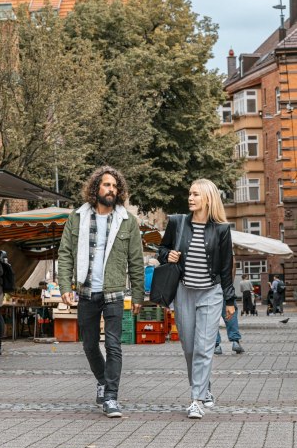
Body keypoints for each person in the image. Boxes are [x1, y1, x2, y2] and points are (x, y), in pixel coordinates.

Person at [58, 166, 144, 418]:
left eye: (115, 187)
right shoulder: (77, 218)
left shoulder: (128, 221)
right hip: (86, 292)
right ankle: (103, 380)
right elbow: (65, 254)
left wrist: (137, 295)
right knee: (89, 345)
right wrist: (65, 286)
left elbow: (136, 261)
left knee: (115, 344)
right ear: (95, 188)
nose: (111, 190)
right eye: (107, 185)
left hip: (114, 292)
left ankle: (111, 397)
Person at [158, 178, 235, 419]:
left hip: (211, 294)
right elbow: (161, 250)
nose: (190, 198)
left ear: (208, 199)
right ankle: (204, 386)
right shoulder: (177, 223)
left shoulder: (221, 230)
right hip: (184, 292)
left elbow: (226, 268)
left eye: (195, 194)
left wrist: (230, 301)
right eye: (190, 194)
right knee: (189, 347)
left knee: (203, 347)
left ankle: (196, 399)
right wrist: (167, 255)